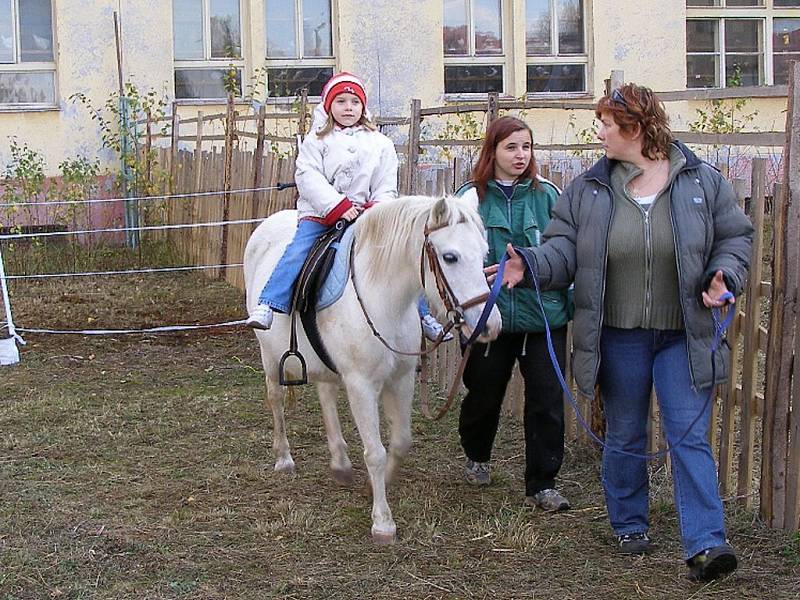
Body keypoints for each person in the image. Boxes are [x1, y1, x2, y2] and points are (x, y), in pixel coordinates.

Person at [493, 84, 753, 581]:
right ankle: (629, 522)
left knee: (688, 435)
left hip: (683, 334)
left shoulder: (700, 181)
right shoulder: (590, 190)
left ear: (634, 129)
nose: (600, 134)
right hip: (618, 333)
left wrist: (724, 274)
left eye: (607, 126)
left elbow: (734, 236)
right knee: (627, 431)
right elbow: (562, 247)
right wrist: (531, 264)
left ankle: (706, 543)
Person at [246, 72, 449, 341]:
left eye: (354, 102)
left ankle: (423, 316)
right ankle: (269, 303)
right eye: (341, 101)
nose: (348, 108)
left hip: (368, 218)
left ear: (363, 107)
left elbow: (386, 184)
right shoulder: (315, 141)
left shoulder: (381, 144)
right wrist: (338, 206)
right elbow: (308, 177)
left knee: (398, 260)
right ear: (329, 106)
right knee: (298, 250)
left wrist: (377, 211)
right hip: (320, 216)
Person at [455, 116, 573, 512]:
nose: (520, 155)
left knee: (546, 398)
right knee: (484, 392)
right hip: (491, 318)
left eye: (526, 147)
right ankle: (477, 455)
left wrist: (567, 299)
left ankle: (543, 481)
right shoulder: (470, 198)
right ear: (493, 151)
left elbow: (566, 251)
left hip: (544, 316)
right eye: (511, 147)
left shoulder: (549, 196)